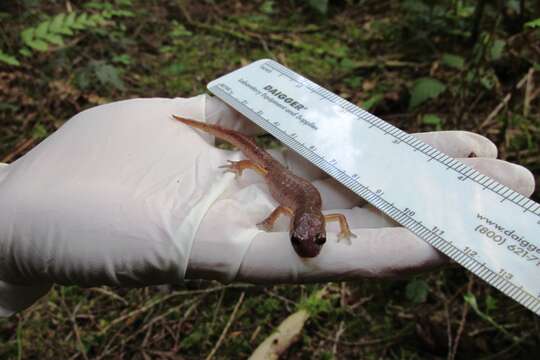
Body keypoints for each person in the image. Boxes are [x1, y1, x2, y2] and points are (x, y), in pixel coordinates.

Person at [0, 95, 535, 316]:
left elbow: (332, 214)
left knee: (263, 166)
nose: (310, 241)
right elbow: (281, 198)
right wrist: (241, 169)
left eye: (314, 239)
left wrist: (335, 232)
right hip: (268, 168)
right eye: (310, 239)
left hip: (287, 181)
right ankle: (237, 162)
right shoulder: (290, 207)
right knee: (252, 160)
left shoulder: (313, 217)